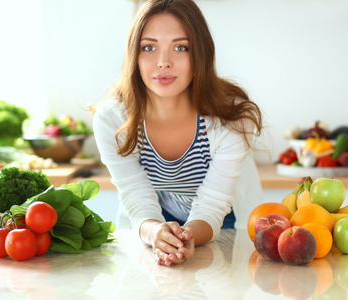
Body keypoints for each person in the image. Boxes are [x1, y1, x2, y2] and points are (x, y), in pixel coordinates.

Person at [92, 0, 263, 266]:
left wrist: (184, 237)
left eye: (180, 47)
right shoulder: (113, 118)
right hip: (148, 221)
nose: (163, 62)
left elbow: (213, 204)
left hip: (220, 223)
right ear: (134, 57)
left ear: (200, 57)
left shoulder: (231, 118)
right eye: (149, 47)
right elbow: (135, 193)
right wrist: (155, 232)